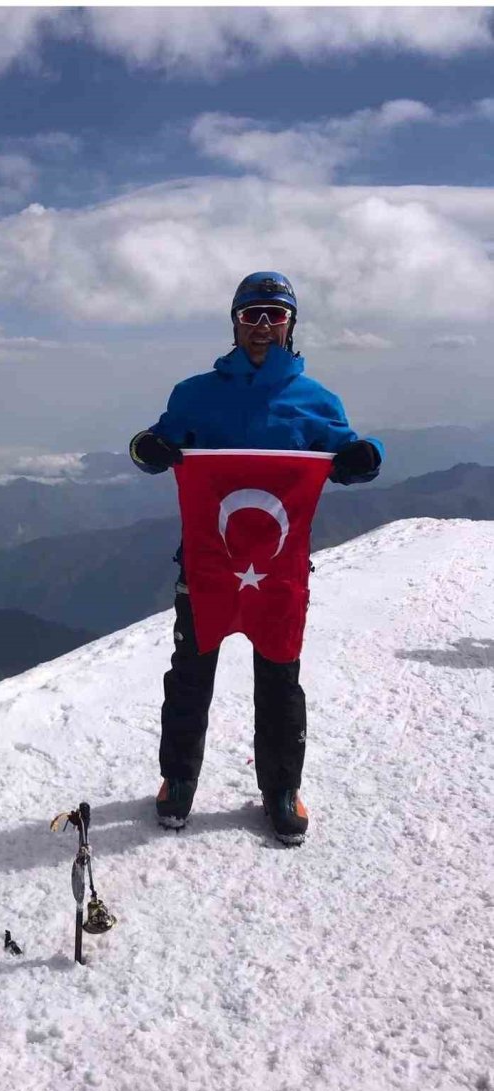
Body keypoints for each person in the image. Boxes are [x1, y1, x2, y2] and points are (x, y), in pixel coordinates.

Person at [129, 272, 384, 844]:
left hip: (276, 570)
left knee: (279, 677)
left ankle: (281, 790)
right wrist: (147, 448)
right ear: (235, 322)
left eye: (275, 314)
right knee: (191, 675)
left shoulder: (317, 400)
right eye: (252, 315)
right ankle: (178, 781)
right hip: (208, 563)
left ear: (291, 323)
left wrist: (364, 457)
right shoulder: (194, 394)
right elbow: (156, 442)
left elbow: (348, 449)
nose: (263, 326)